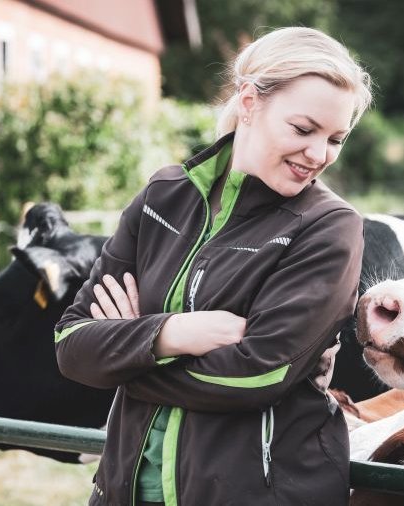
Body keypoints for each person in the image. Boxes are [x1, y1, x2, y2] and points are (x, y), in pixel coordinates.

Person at [54, 26, 373, 505]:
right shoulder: (163, 197)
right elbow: (71, 346)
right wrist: (171, 334)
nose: (319, 154)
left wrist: (124, 349)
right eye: (303, 130)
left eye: (336, 138)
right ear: (248, 102)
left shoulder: (330, 228)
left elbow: (255, 377)